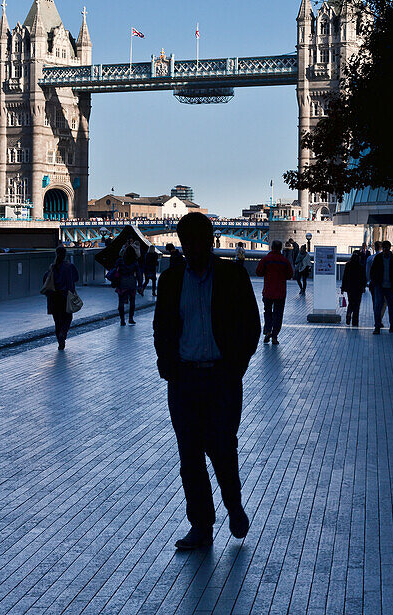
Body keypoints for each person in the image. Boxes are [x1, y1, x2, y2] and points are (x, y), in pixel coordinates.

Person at [152, 212, 261, 551]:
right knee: (189, 457)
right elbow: (162, 328)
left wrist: (236, 367)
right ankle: (201, 525)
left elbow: (251, 326)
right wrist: (167, 364)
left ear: (211, 242)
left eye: (199, 243)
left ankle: (234, 506)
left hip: (221, 379)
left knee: (223, 449)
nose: (193, 251)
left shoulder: (233, 275)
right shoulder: (170, 281)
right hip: (183, 380)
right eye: (187, 244)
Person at [255, 240, 293, 345]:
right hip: (280, 292)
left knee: (268, 312)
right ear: (280, 248)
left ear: (271, 247)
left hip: (268, 291)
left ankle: (268, 331)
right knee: (278, 314)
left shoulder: (266, 259)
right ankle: (275, 336)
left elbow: (258, 272)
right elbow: (290, 275)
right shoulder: (284, 261)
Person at [45, 245, 79, 350]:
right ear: (65, 255)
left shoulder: (52, 267)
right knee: (67, 318)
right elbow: (76, 278)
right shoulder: (69, 266)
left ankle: (60, 341)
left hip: (54, 297)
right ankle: (63, 335)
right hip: (66, 296)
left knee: (57, 321)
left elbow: (46, 280)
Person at [369, 240, 393, 334]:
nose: (386, 250)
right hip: (380, 286)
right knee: (379, 307)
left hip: (389, 287)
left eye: (387, 249)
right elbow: (373, 272)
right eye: (384, 249)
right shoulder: (379, 258)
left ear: (389, 248)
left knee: (389, 307)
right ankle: (378, 326)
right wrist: (375, 282)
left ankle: (391, 325)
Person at [110, 244, 143, 326]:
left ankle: (122, 320)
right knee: (132, 301)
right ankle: (131, 318)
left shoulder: (120, 261)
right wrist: (140, 285)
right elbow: (139, 274)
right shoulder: (135, 262)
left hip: (122, 282)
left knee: (121, 302)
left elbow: (115, 270)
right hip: (132, 282)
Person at [341, 249, 367, 326]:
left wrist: (343, 288)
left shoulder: (348, 265)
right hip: (358, 288)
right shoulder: (361, 266)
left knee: (351, 302)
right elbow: (363, 278)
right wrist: (363, 287)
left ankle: (348, 313)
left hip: (350, 288)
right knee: (357, 304)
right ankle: (355, 321)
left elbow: (344, 277)